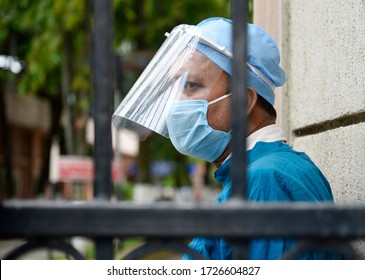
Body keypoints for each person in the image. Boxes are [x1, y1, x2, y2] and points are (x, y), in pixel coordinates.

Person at [113, 17, 341, 259]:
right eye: (175, 87)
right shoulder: (258, 174)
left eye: (190, 85)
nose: (175, 103)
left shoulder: (265, 180)